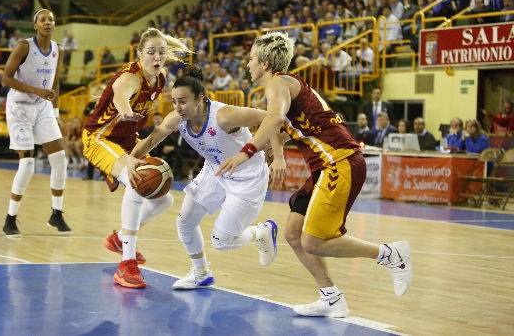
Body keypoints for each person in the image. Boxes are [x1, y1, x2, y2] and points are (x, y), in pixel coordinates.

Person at [216, 31, 411, 318]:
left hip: (339, 162)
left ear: (266, 65)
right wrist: (277, 154)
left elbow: (273, 120)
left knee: (313, 241)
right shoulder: (286, 86)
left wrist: (246, 152)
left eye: (251, 59)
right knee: (294, 233)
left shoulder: (277, 83)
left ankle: (391, 255)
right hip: (325, 167)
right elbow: (282, 131)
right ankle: (331, 298)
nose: (247, 65)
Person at [128, 64, 284, 290]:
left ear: (199, 99)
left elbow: (276, 118)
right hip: (216, 169)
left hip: (247, 177)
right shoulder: (176, 119)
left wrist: (278, 155)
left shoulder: (225, 116)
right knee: (184, 221)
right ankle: (200, 272)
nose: (177, 107)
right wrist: (131, 160)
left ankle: (260, 232)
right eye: (174, 101)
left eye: (183, 101)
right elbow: (152, 139)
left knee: (221, 243)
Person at [82, 28, 190, 289]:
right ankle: (126, 264)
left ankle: (120, 238)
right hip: (100, 137)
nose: (157, 57)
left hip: (127, 139)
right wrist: (125, 109)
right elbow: (121, 93)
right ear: (140, 54)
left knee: (164, 198)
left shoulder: (162, 77)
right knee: (136, 179)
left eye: (161, 52)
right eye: (151, 52)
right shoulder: (131, 77)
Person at [0, 8, 72, 238]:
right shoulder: (24, 46)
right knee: (28, 164)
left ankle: (56, 214)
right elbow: (5, 78)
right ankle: (10, 219)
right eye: (43, 20)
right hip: (20, 108)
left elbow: (55, 81)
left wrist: (56, 112)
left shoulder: (57, 49)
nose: (47, 22)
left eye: (51, 19)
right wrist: (35, 90)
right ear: (35, 25)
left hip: (42, 108)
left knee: (60, 159)